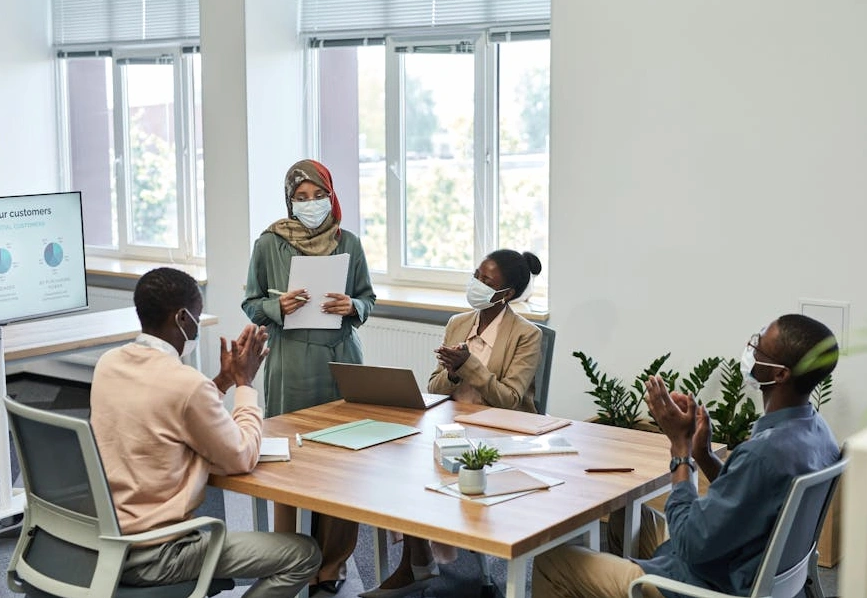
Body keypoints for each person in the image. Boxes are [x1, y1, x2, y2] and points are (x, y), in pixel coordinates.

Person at [532, 313, 840, 598]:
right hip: (742, 561)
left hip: (712, 582)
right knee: (629, 514)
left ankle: (633, 583)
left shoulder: (765, 453)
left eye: (760, 343)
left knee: (553, 560)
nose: (752, 347)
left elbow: (692, 544)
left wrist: (680, 449)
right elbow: (753, 498)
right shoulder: (815, 431)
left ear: (781, 374)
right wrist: (703, 453)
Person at [90, 267, 321, 598]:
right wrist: (244, 385)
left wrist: (223, 381)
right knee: (303, 554)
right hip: (159, 552)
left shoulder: (109, 364)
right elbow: (241, 456)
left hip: (107, 539)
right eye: (197, 317)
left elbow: (168, 410)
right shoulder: (185, 384)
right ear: (183, 318)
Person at [360, 249, 544, 598]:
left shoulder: (526, 335)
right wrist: (453, 371)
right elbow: (434, 387)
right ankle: (416, 561)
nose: (475, 284)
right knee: (396, 464)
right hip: (452, 424)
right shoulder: (458, 323)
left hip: (499, 432)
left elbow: (510, 399)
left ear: (505, 294)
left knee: (427, 468)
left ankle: (418, 565)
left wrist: (469, 365)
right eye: (476, 274)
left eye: (485, 280)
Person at [242, 159, 376, 594]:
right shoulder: (269, 243)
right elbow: (250, 302)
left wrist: (352, 308)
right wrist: (274, 308)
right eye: (300, 198)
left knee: (342, 464)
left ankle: (331, 566)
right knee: (289, 460)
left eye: (318, 195)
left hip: (341, 362)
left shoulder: (348, 242)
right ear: (288, 201)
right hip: (292, 362)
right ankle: (287, 556)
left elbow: (367, 299)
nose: (311, 204)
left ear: (330, 196)